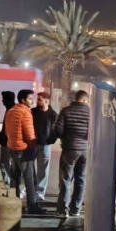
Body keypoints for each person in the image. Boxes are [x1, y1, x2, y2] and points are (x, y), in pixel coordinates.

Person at [5, 88, 43, 214]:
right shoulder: (25, 113)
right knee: (29, 180)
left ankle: (13, 204)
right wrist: (34, 145)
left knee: (14, 178)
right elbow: (29, 134)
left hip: (12, 148)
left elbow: (6, 131)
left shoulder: (10, 111)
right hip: (24, 150)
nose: (32, 101)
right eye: (30, 99)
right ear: (23, 100)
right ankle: (32, 207)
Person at [53, 89, 90, 217]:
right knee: (81, 179)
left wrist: (65, 137)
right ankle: (76, 209)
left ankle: (63, 209)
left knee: (66, 179)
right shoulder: (91, 113)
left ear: (76, 98)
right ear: (85, 100)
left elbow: (58, 129)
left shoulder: (66, 110)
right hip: (85, 150)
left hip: (69, 149)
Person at [31, 91, 59, 202]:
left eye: (39, 100)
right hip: (32, 144)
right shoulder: (32, 112)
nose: (36, 102)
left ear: (46, 101)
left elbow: (56, 130)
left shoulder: (53, 115)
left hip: (45, 145)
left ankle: (40, 192)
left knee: (43, 170)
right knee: (29, 168)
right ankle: (30, 189)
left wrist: (50, 141)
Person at [0, 90, 16, 187]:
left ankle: (9, 184)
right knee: (7, 164)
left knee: (4, 164)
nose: (2, 101)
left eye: (3, 99)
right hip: (8, 142)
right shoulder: (10, 109)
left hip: (7, 143)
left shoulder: (11, 110)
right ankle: (10, 184)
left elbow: (8, 128)